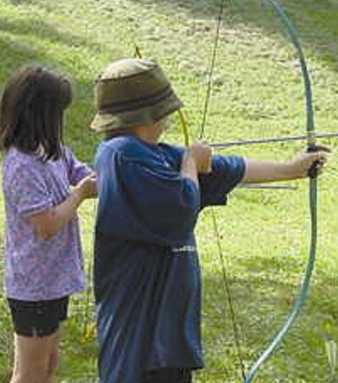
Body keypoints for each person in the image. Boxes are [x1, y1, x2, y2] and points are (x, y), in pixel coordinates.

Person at [91, 58, 327, 383]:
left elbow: (228, 168)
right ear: (155, 111)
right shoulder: (120, 155)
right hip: (138, 332)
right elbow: (179, 208)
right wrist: (190, 163)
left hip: (168, 335)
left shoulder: (157, 154)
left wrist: (291, 169)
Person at [0, 65, 97, 383]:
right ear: (40, 114)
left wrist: (91, 177)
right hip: (34, 287)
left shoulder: (51, 151)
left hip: (54, 281)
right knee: (30, 373)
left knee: (49, 363)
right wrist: (81, 194)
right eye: (58, 113)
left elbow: (78, 169)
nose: (62, 121)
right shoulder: (21, 166)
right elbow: (47, 225)